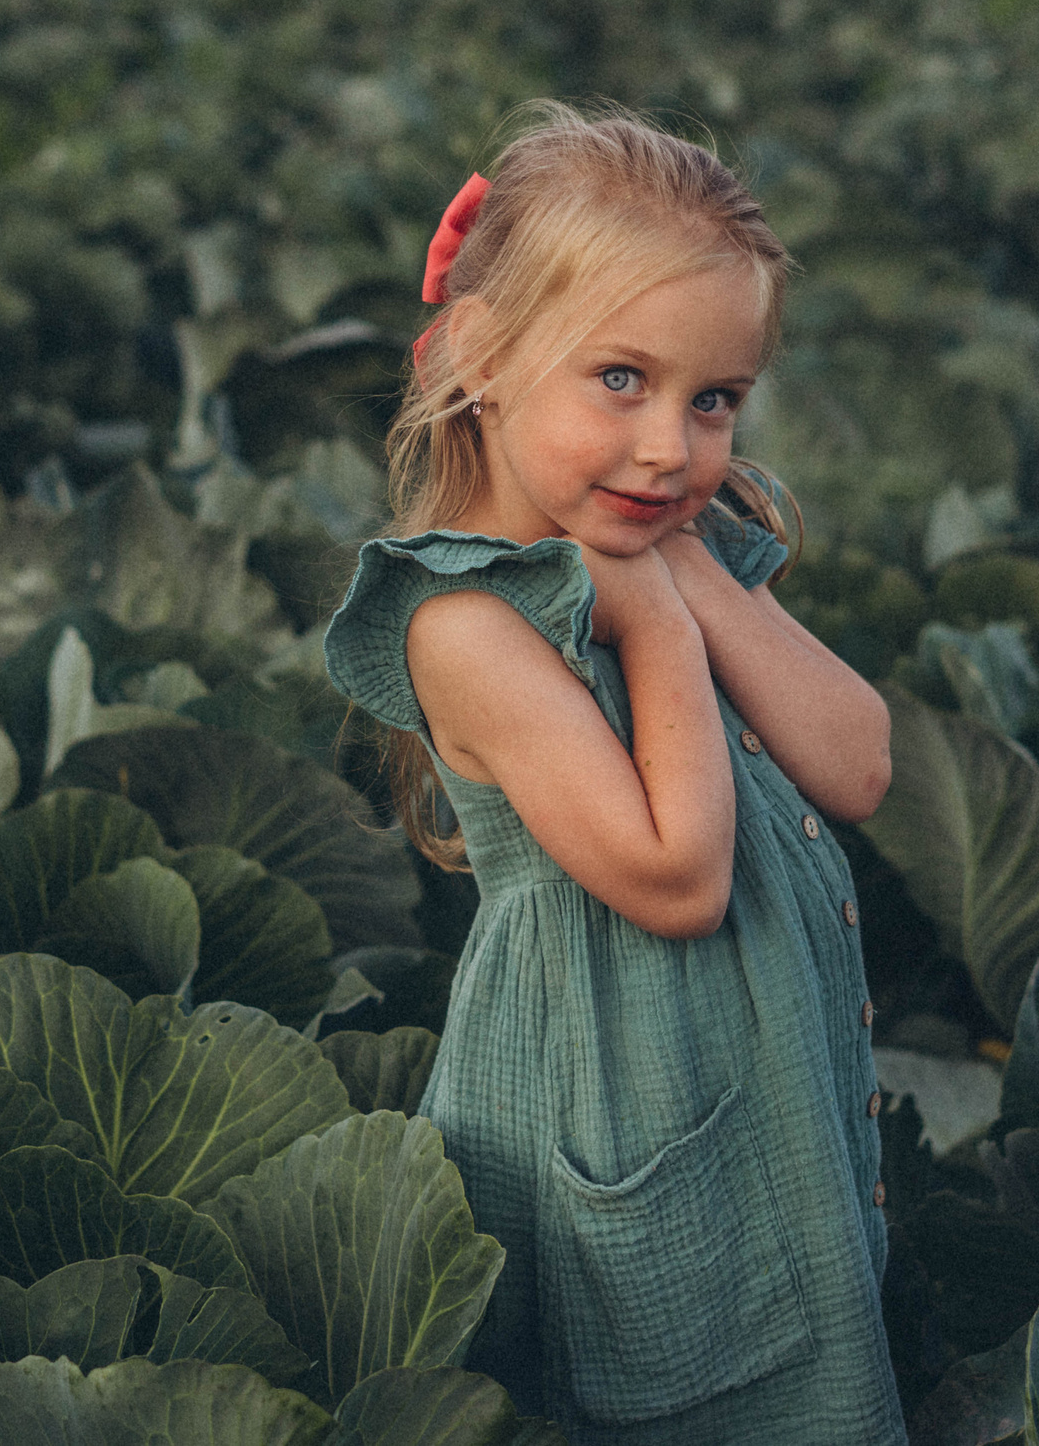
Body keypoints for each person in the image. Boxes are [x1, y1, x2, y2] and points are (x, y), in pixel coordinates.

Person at [322, 102, 904, 1444]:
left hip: (758, 1094)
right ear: (482, 356)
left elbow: (860, 761)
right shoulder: (465, 623)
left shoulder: (669, 545)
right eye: (622, 380)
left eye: (714, 401)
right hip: (613, 1113)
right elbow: (674, 878)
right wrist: (653, 624)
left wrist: (683, 574)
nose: (669, 449)